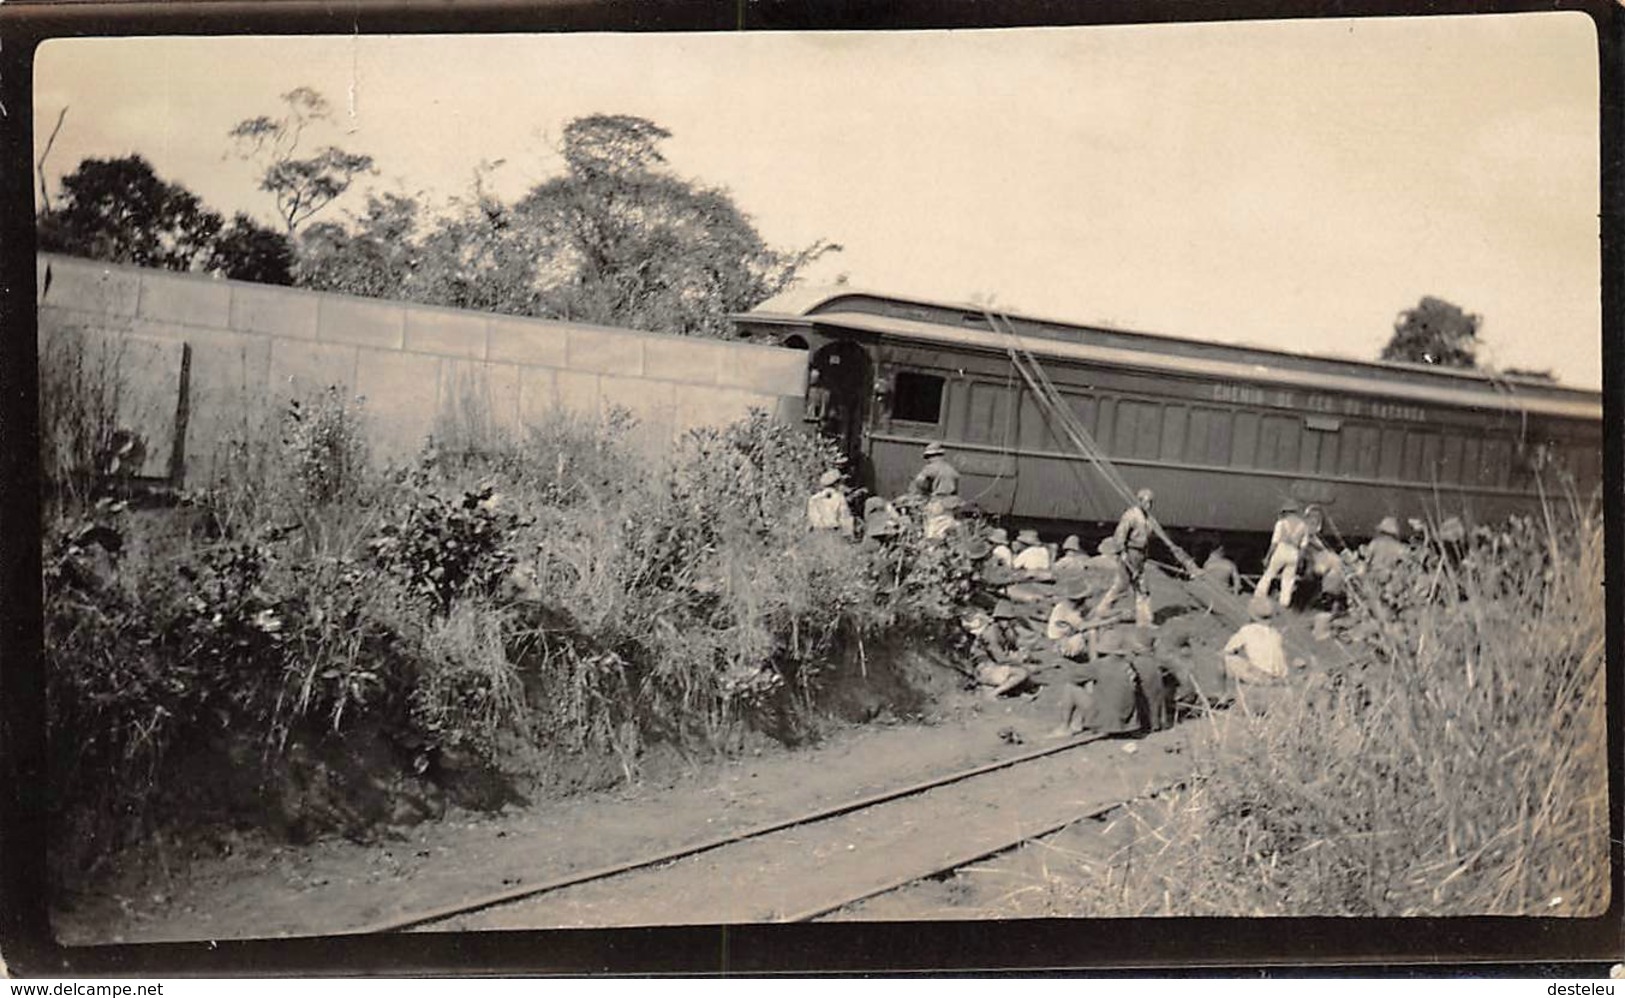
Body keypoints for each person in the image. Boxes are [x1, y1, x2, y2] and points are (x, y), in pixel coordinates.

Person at [1048, 626, 1143, 738]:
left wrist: (1066, 664)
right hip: (1128, 722)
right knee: (1100, 690)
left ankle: (1064, 727)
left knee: (1070, 688)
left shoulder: (1100, 665)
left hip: (1107, 722)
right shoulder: (1127, 665)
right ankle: (1080, 722)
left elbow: (1072, 676)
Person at [1093, 488, 1157, 628]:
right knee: (1122, 585)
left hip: (1140, 555)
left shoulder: (1148, 519)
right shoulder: (1131, 515)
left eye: (1151, 503)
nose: (1149, 505)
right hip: (1130, 553)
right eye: (1146, 502)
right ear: (1139, 501)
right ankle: (1102, 610)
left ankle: (1144, 621)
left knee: (1142, 588)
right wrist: (1122, 553)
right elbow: (1120, 535)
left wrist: (1144, 556)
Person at [965, 601, 1032, 698]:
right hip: (984, 669)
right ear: (999, 619)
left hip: (991, 666)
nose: (1009, 623)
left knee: (1026, 676)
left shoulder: (1001, 631)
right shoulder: (991, 633)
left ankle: (1015, 692)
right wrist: (1019, 660)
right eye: (1006, 620)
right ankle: (993, 694)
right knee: (1022, 673)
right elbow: (1000, 658)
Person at [1256, 499, 1310, 610]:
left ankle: (1259, 596)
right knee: (1288, 579)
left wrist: (1268, 556)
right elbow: (1304, 547)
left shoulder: (1281, 523)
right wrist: (1300, 560)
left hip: (1281, 550)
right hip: (1294, 553)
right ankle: (1284, 603)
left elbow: (1274, 543)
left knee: (1269, 573)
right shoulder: (1304, 526)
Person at [1222, 602, 1289, 685]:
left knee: (1225, 659)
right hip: (1279, 678)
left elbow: (1228, 650)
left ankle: (1222, 692)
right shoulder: (1275, 633)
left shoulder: (1247, 630)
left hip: (1260, 676)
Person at [909, 441, 962, 540]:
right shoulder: (951, 470)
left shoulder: (931, 468)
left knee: (932, 534)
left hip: (937, 503)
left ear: (930, 456)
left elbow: (920, 481)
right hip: (951, 504)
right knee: (946, 532)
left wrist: (923, 493)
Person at [805, 469, 856, 538]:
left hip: (819, 534)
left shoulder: (813, 499)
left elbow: (812, 517)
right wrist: (849, 533)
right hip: (836, 531)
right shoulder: (839, 497)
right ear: (836, 484)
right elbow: (845, 516)